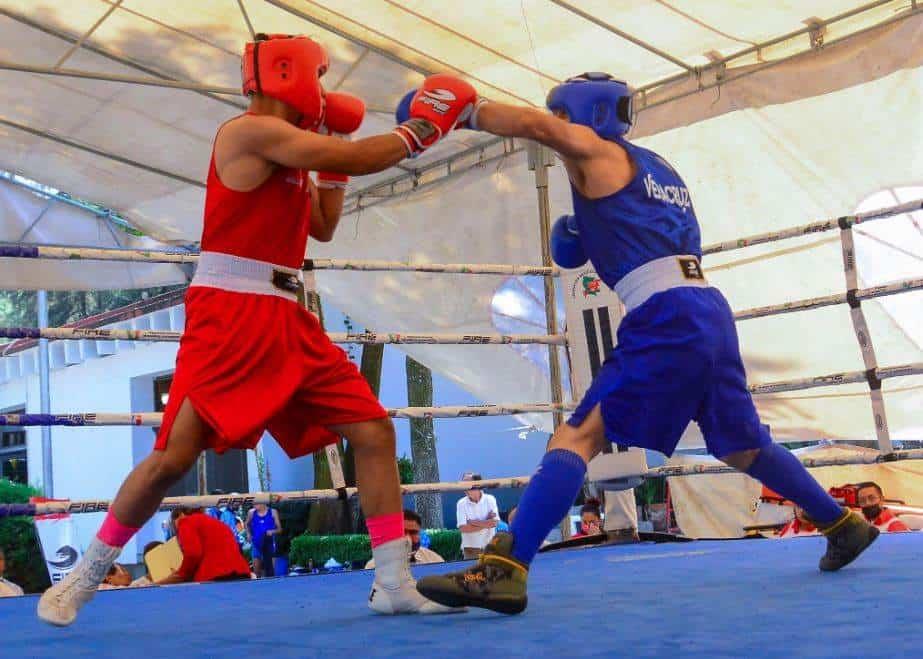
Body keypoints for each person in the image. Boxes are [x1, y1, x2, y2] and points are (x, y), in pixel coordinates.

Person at [37, 34, 475, 626]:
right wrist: (420, 129)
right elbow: (357, 159)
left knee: (373, 431)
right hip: (232, 311)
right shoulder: (246, 132)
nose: (323, 92)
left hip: (289, 314)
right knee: (171, 459)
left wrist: (334, 152)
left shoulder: (296, 152)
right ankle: (85, 575)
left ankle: (393, 581)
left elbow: (321, 226)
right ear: (287, 73)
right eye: (318, 78)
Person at [414, 72, 879, 615]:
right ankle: (840, 523)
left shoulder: (594, 150)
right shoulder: (659, 169)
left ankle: (506, 569)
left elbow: (535, 128)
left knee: (578, 435)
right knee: (739, 443)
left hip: (665, 315)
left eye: (563, 118)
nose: (559, 130)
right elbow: (647, 236)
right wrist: (586, 232)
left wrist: (458, 110)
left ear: (579, 117)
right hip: (707, 310)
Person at [157, 508, 250, 585]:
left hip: (215, 578)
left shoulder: (185, 522)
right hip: (242, 574)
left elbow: (193, 554)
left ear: (180, 515)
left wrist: (180, 575)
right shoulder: (218, 523)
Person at [366, 510, 445, 568]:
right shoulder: (374, 566)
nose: (408, 538)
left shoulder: (433, 560)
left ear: (419, 534)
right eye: (402, 532)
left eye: (413, 532)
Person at [456, 473, 500, 559]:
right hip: (471, 550)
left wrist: (473, 523)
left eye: (467, 483)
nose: (464, 487)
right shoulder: (461, 503)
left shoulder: (490, 499)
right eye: (463, 484)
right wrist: (486, 523)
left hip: (490, 548)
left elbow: (494, 523)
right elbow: (463, 528)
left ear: (478, 484)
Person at [246, 503, 282, 577]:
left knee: (270, 571)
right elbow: (247, 524)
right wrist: (248, 534)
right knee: (256, 572)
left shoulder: (273, 512)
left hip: (269, 544)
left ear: (263, 503)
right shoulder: (251, 512)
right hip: (256, 544)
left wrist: (272, 531)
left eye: (256, 503)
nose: (254, 505)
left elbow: (279, 529)